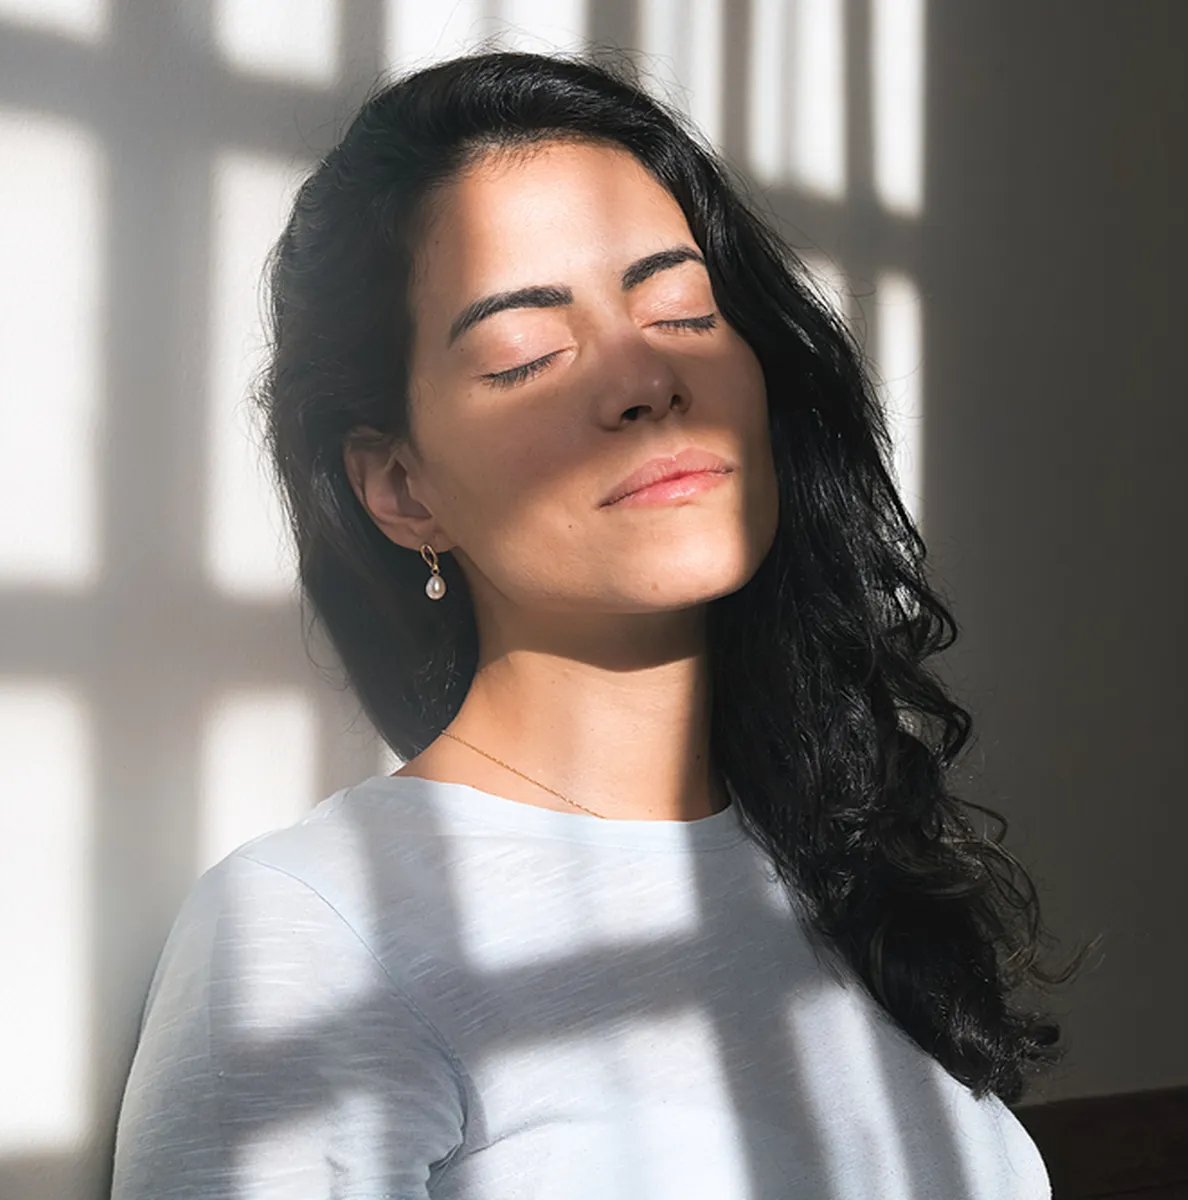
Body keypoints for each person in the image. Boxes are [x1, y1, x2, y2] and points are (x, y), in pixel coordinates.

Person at [111, 49, 1089, 1200]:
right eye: (526, 352)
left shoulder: (842, 869)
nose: (643, 378)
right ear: (402, 489)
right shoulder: (317, 934)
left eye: (680, 310)